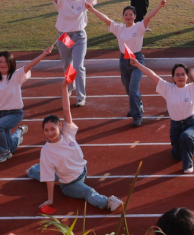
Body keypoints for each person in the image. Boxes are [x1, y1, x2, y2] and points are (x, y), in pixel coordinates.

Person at [28, 84, 124, 212]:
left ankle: (34, 169)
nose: (50, 133)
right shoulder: (46, 151)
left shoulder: (67, 132)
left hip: (82, 171)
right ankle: (108, 202)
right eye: (46, 130)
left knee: (48, 169)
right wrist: (50, 199)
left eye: (53, 129)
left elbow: (66, 110)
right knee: (88, 191)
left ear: (60, 126)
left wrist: (64, 87)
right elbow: (49, 178)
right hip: (69, 184)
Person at [130, 56, 194, 173]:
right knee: (177, 155)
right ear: (173, 77)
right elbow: (152, 75)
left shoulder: (193, 87)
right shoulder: (167, 88)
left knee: (186, 137)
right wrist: (137, 64)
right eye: (177, 74)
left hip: (192, 124)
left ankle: (188, 164)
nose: (180, 77)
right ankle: (185, 147)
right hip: (175, 127)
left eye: (183, 74)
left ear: (187, 76)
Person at [34, 0, 117, 107]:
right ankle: (70, 86)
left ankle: (81, 96)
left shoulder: (83, 1)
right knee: (68, 65)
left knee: (78, 66)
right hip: (64, 37)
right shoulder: (61, 1)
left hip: (79, 36)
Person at [86, 0, 165, 126]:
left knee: (133, 89)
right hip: (123, 60)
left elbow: (149, 16)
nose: (128, 17)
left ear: (135, 16)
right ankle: (138, 104)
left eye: (131, 14)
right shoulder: (119, 28)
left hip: (137, 60)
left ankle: (137, 116)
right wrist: (91, 9)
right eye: (126, 14)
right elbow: (105, 19)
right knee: (128, 89)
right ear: (123, 16)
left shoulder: (139, 27)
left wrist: (159, 6)